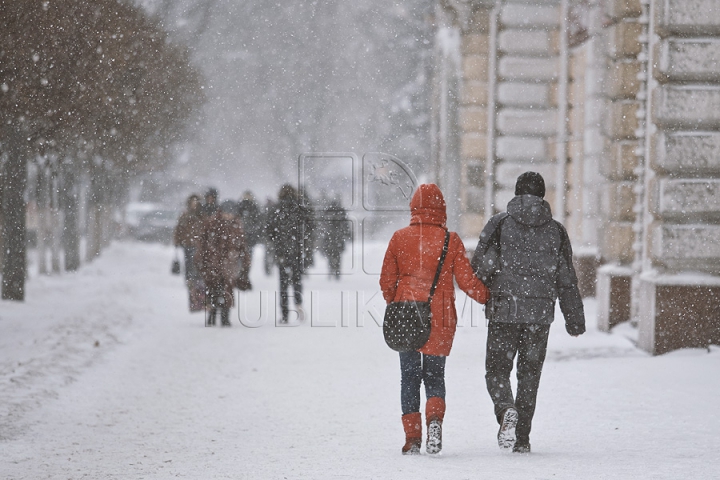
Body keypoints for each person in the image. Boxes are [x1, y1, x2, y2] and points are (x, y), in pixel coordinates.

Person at [470, 172, 586, 454]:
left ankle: (505, 409)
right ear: (543, 195)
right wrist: (575, 319)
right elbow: (566, 278)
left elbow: (479, 267)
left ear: (516, 193)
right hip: (539, 315)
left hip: (503, 311)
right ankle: (521, 438)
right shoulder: (556, 231)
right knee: (530, 375)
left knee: (497, 369)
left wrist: (487, 285)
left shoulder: (499, 225)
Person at [380, 184, 489, 455]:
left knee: (409, 377)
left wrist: (398, 301)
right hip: (439, 317)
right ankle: (435, 422)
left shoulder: (398, 238)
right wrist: (487, 297)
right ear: (442, 209)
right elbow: (466, 281)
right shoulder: (451, 240)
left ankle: (412, 437)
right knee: (434, 376)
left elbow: (386, 281)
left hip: (406, 315)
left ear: (413, 208)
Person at [195, 200, 249, 327]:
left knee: (227, 290)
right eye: (227, 212)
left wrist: (246, 262)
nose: (229, 215)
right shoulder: (212, 223)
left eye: (231, 213)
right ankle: (212, 314)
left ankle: (225, 316)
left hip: (229, 263)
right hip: (213, 262)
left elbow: (242, 245)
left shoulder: (236, 225)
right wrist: (201, 260)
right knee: (213, 288)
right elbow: (202, 243)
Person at [266, 184, 313, 323]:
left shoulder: (276, 209)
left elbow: (269, 230)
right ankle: (298, 303)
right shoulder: (300, 208)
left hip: (282, 253)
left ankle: (285, 313)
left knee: (283, 284)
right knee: (297, 280)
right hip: (297, 251)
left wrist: (277, 242)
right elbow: (309, 228)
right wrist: (303, 243)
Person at [173, 194, 205, 311]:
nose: (194, 204)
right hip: (188, 245)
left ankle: (199, 295)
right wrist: (177, 241)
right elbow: (178, 229)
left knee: (197, 270)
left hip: (199, 247)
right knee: (189, 269)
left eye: (196, 201)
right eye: (193, 201)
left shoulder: (202, 216)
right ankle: (191, 288)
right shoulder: (185, 215)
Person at [318, 198, 350, 280]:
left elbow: (323, 225)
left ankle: (331, 269)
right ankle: (336, 270)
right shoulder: (341, 212)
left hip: (330, 238)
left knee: (330, 255)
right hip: (338, 238)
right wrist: (347, 235)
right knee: (337, 256)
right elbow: (346, 225)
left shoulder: (328, 212)